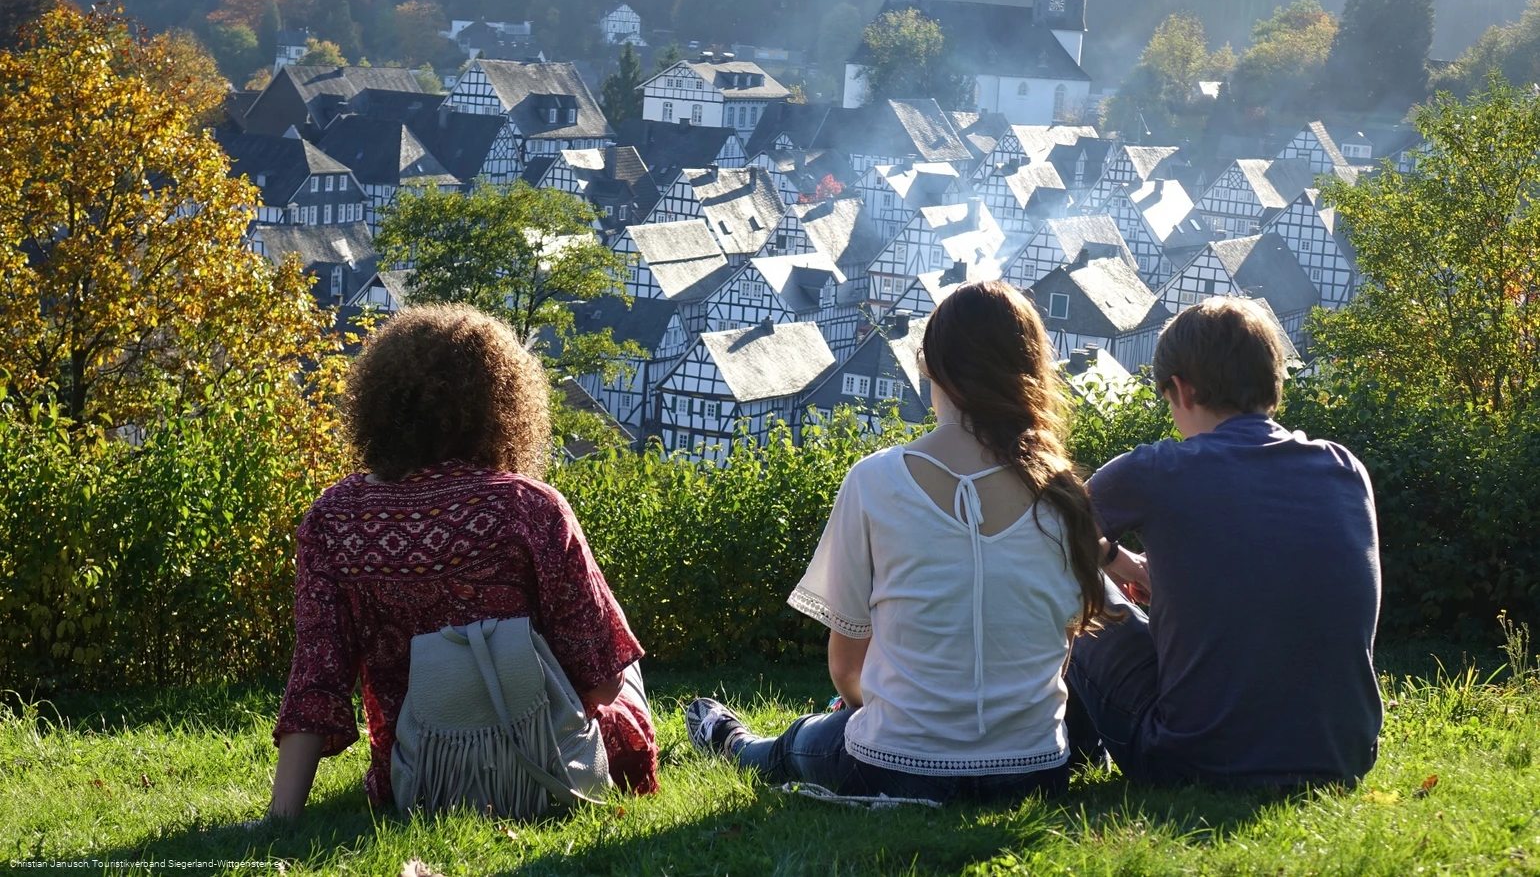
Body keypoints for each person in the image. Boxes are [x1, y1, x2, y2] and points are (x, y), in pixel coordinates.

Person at [685, 281, 1112, 803]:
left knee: (804, 741)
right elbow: (1056, 650)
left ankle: (736, 743)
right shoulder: (1065, 496)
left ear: (932, 368)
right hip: (1032, 770)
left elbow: (846, 669)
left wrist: (889, 709)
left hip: (898, 766)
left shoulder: (876, 481)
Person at [267, 304, 657, 818]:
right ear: (503, 404)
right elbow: (600, 681)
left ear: (380, 404)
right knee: (623, 668)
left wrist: (281, 818)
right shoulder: (529, 507)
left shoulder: (332, 521)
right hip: (549, 764)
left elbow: (314, 682)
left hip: (417, 777)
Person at [1078, 296, 1382, 788]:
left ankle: (1063, 756)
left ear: (1181, 389)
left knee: (1074, 578)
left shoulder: (1158, 470)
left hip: (1192, 761)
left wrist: (1113, 559)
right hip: (1341, 756)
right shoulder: (1343, 468)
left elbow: (1047, 524)